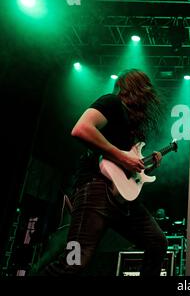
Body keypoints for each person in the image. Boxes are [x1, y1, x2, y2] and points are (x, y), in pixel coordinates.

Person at [42, 69, 168, 276]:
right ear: (137, 88)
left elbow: (127, 166)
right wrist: (122, 156)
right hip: (95, 190)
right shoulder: (111, 102)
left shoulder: (132, 124)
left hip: (122, 200)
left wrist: (144, 165)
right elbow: (81, 129)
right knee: (73, 262)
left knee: (157, 243)